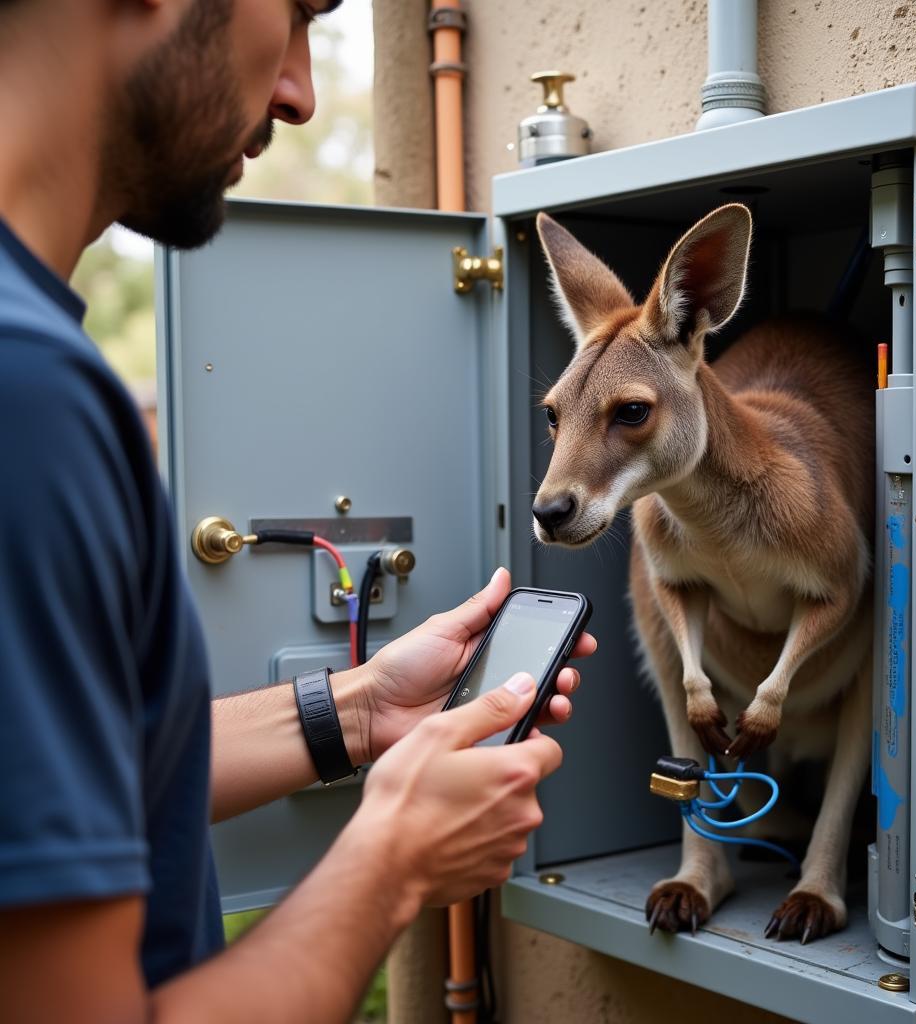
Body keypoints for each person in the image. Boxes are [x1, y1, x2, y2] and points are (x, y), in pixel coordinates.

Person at [0, 1, 597, 1021]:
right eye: (296, 14)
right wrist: (393, 862)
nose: (299, 91)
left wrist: (358, 710)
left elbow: (89, 767)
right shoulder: (28, 398)